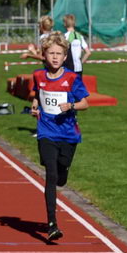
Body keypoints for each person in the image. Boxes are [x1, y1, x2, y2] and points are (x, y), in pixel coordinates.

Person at [29, 32, 90, 242]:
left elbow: (85, 103)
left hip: (68, 134)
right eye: (51, 53)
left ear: (65, 57)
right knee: (51, 175)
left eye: (59, 54)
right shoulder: (38, 75)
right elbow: (37, 94)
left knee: (61, 171)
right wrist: (35, 107)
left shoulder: (72, 78)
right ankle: (52, 223)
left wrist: (71, 105)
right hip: (46, 131)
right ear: (44, 55)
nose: (55, 57)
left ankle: (63, 168)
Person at [62, 14, 91, 79]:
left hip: (67, 68)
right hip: (79, 68)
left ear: (65, 24)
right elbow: (88, 53)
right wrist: (81, 63)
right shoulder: (80, 36)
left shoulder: (64, 36)